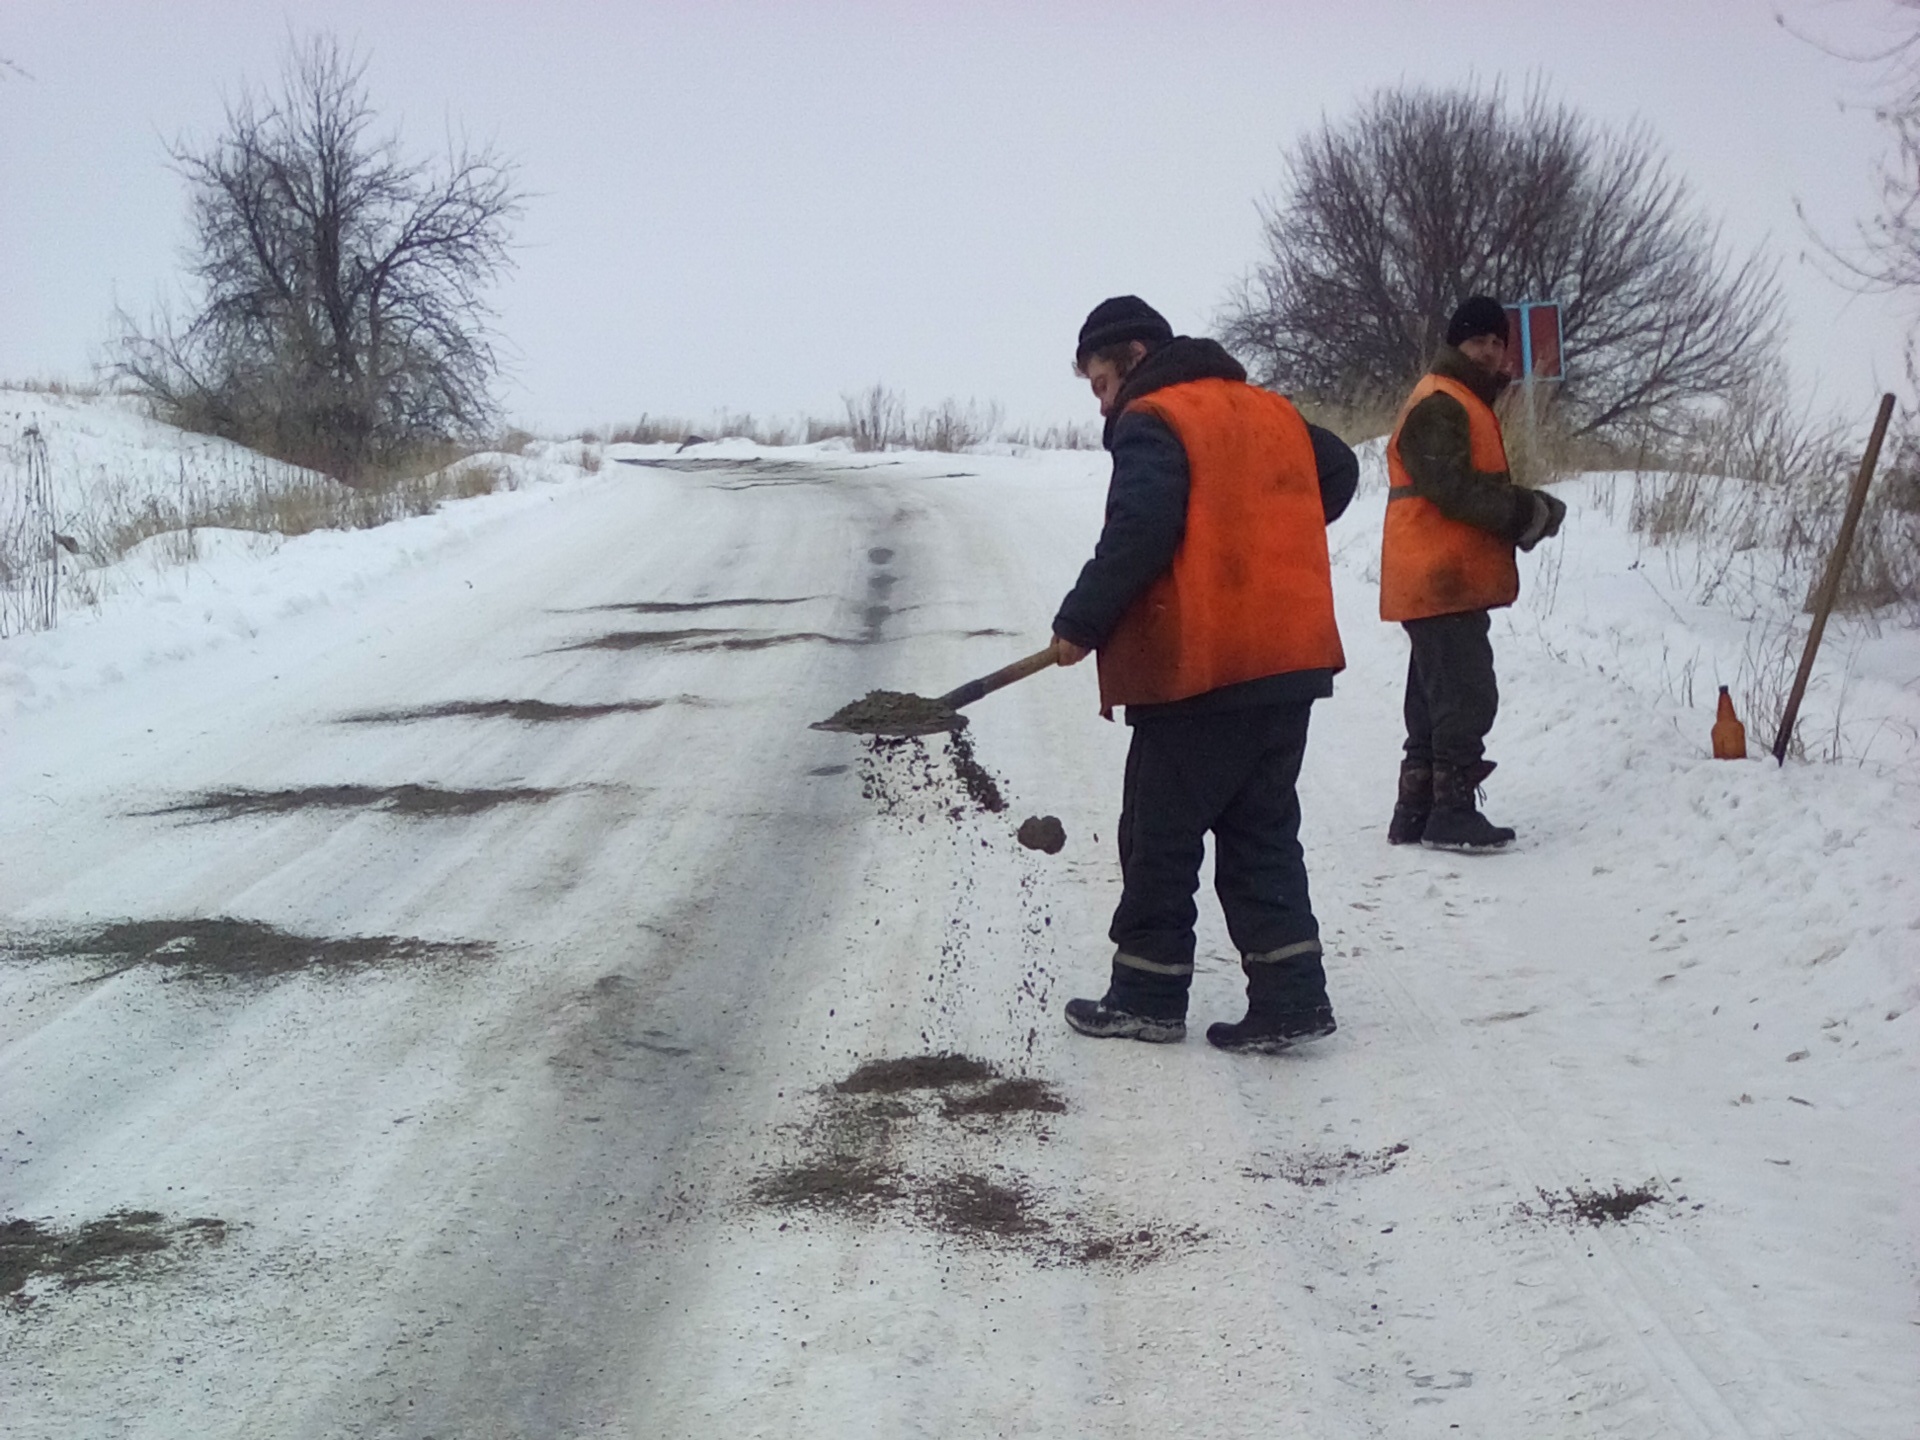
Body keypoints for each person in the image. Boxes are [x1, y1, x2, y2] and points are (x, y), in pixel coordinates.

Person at [1051, 296, 1358, 1053]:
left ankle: (1148, 996)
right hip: (1289, 661)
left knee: (1160, 834)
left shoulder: (1153, 418)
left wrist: (1080, 622)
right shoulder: (1268, 411)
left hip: (1202, 668)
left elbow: (1142, 528)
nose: (1101, 401)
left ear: (1131, 357)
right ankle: (1291, 998)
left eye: (1099, 383)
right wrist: (1260, 532)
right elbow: (1340, 468)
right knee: (1262, 834)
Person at [1381, 295, 1567, 851]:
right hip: (1440, 576)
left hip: (1437, 577)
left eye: (1496, 342)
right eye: (1477, 341)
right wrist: (1527, 511)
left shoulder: (1457, 398)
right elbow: (1453, 489)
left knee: (1433, 698)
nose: (1488, 352)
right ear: (1454, 344)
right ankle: (1452, 814)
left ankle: (1415, 811)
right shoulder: (1442, 402)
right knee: (1466, 695)